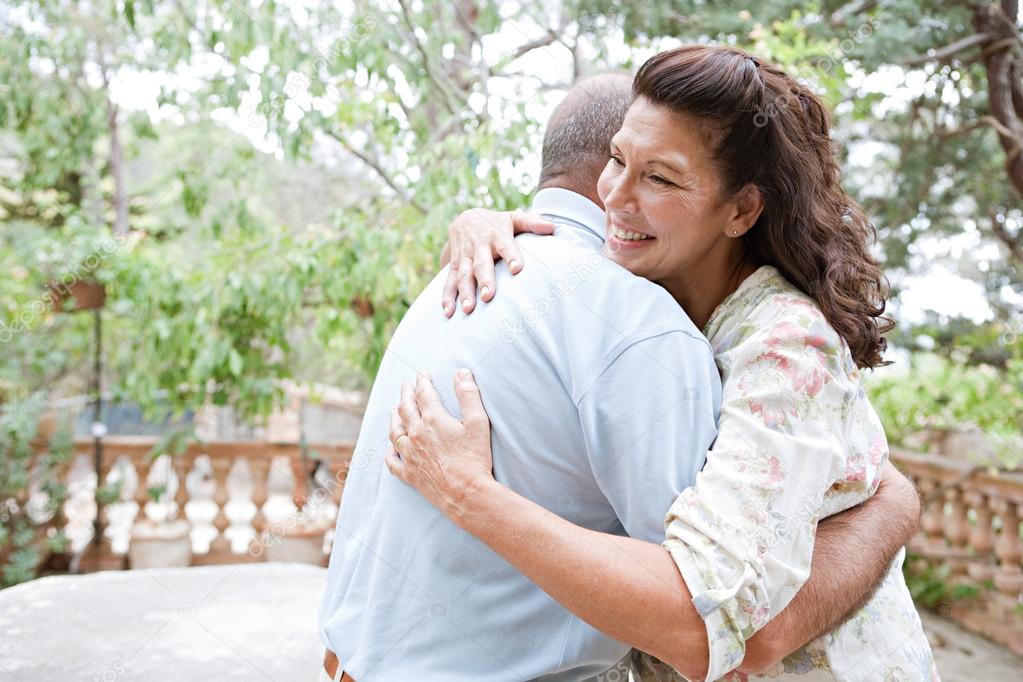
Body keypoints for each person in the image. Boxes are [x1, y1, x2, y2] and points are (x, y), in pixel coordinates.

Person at [388, 46, 937, 681]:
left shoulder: (783, 343)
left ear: (740, 211)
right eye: (618, 160)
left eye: (661, 179)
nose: (615, 199)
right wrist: (481, 222)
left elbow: (723, 625)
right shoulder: (654, 302)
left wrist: (468, 493)